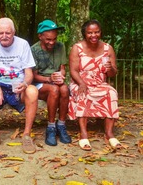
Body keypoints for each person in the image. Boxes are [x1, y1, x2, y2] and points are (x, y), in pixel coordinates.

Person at [0, 17, 38, 154]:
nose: (4, 36)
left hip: (17, 85)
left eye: (8, 33)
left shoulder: (23, 44)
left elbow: (29, 74)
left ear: (14, 33)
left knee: (33, 91)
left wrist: (24, 84)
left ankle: (26, 135)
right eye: (1, 33)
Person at [68, 19, 121, 151]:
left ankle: (109, 133)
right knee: (83, 93)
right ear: (85, 34)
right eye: (90, 33)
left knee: (111, 92)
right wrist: (81, 83)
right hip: (79, 81)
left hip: (99, 82)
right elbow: (73, 70)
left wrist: (110, 68)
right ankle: (83, 133)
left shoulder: (108, 48)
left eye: (96, 32)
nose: (93, 35)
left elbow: (113, 73)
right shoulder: (77, 48)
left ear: (100, 32)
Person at [31, 19, 72, 146]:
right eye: (48, 39)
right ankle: (51, 127)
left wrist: (60, 76)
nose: (52, 42)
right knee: (54, 90)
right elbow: (33, 75)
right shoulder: (34, 50)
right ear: (40, 36)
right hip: (40, 82)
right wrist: (49, 79)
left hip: (55, 81)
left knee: (64, 89)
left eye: (54, 39)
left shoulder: (60, 46)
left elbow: (63, 69)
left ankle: (61, 124)